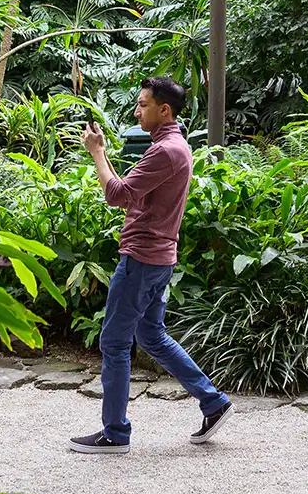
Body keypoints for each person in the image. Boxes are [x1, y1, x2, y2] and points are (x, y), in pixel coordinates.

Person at [70, 76, 232, 454]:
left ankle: (115, 433)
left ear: (165, 110)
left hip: (142, 259)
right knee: (151, 336)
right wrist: (104, 153)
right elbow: (130, 194)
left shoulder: (165, 152)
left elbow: (116, 195)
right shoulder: (174, 146)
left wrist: (96, 153)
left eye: (143, 105)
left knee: (113, 341)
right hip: (158, 258)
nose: (136, 110)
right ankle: (213, 402)